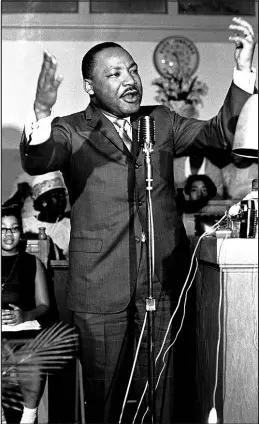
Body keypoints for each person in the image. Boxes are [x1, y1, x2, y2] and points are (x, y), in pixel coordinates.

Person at [20, 17, 256, 423]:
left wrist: (242, 70)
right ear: (91, 87)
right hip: (100, 290)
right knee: (106, 400)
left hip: (162, 283)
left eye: (132, 70)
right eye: (114, 74)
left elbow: (221, 134)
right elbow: (38, 157)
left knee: (164, 393)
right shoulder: (70, 129)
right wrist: (42, 110)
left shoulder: (160, 121)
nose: (130, 80)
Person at [1, 205, 50, 424]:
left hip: (24, 329)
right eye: (2, 229)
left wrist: (25, 316)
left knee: (30, 360)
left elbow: (44, 305)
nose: (8, 234)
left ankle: (28, 417)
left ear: (21, 232)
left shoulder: (33, 263)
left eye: (13, 228)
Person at [22, 171, 71, 259]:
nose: (62, 199)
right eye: (56, 195)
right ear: (43, 201)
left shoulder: (71, 226)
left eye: (63, 194)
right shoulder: (26, 226)